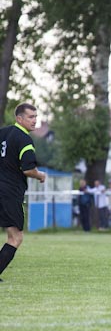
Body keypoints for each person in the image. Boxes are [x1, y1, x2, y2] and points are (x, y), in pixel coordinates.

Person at [0, 103, 47, 282]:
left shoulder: (3, 133)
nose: (34, 121)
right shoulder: (24, 139)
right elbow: (28, 169)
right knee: (16, 237)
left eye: (36, 117)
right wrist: (40, 175)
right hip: (10, 192)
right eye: (30, 117)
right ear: (19, 119)